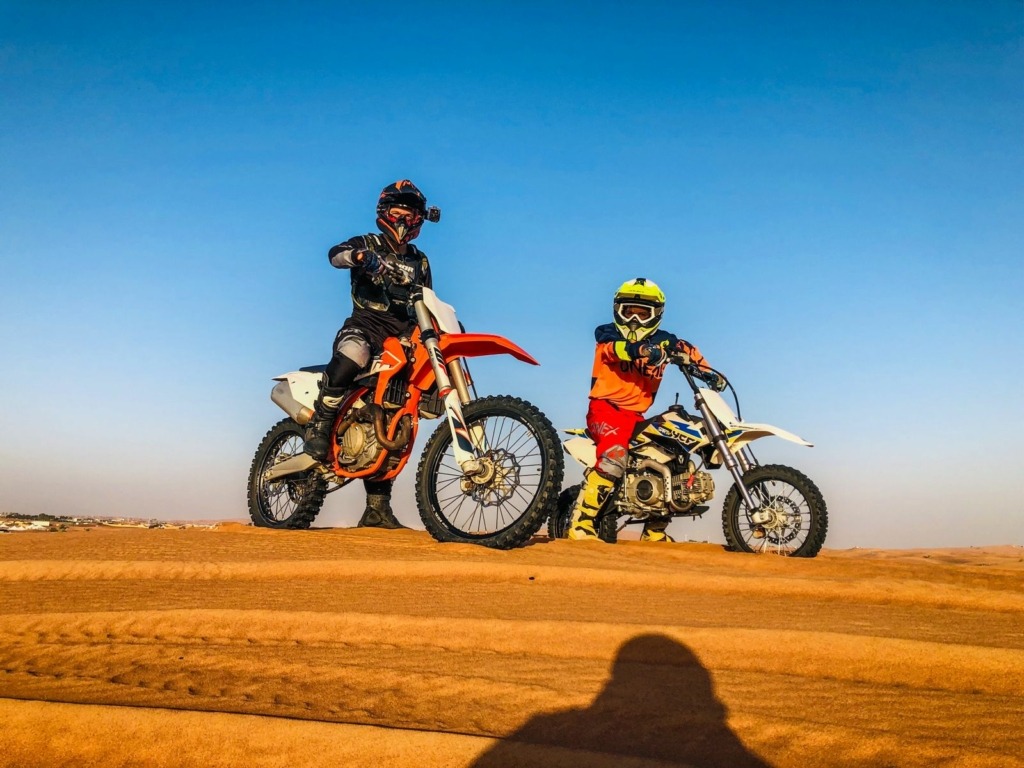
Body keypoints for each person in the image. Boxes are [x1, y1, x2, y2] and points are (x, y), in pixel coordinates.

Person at [303, 179, 438, 529]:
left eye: (411, 212)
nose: (405, 218)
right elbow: (334, 254)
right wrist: (359, 257)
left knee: (396, 416)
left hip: (401, 339)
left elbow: (427, 299)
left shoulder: (420, 260)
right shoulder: (368, 243)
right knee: (352, 356)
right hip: (364, 326)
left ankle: (377, 507)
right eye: (399, 210)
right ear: (385, 212)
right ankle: (320, 424)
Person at [568, 277, 726, 542]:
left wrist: (710, 374)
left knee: (676, 460)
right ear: (618, 310)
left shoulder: (666, 341)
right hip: (605, 410)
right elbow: (616, 349)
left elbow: (689, 351)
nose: (635, 321)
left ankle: (654, 532)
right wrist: (642, 349)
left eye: (643, 314)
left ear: (656, 315)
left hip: (637, 417)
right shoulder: (607, 334)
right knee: (614, 457)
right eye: (629, 312)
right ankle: (581, 524)